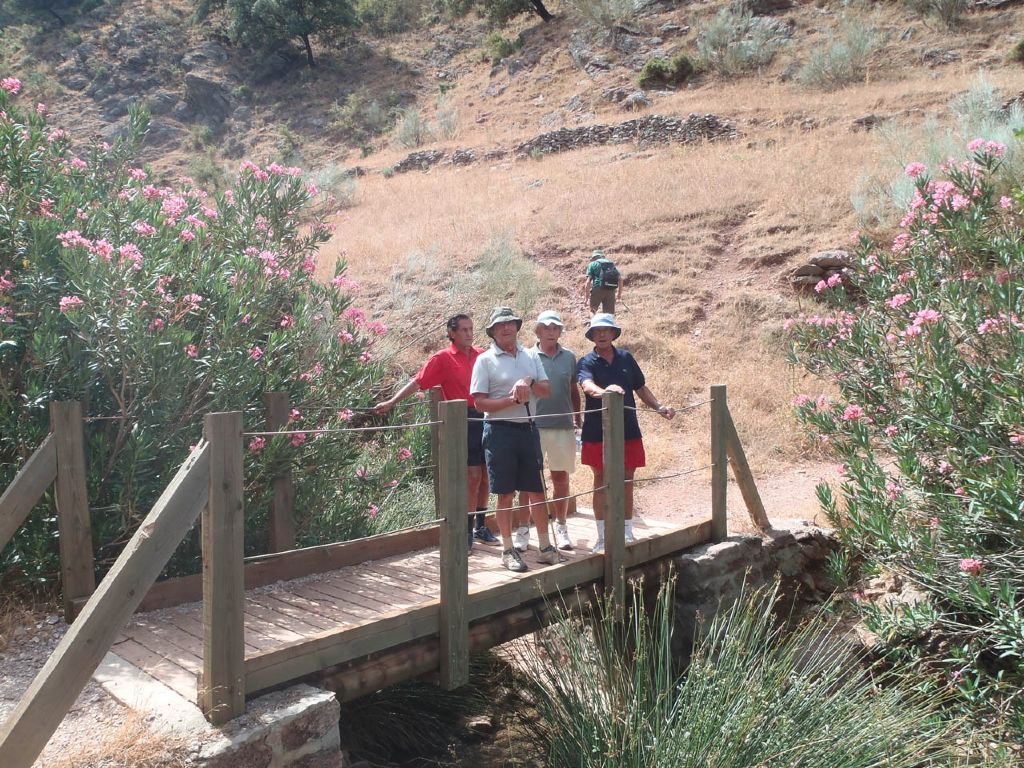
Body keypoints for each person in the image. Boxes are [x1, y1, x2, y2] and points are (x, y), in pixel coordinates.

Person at [373, 313, 498, 549]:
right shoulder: (442, 358)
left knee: (486, 474)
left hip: (487, 416)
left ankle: (481, 526)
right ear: (451, 333)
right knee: (472, 477)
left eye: (471, 329)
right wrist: (392, 401)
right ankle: (467, 531)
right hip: (462, 419)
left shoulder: (483, 354)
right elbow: (419, 382)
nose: (469, 333)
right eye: (463, 330)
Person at [470, 307, 560, 572]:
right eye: (500, 326)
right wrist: (511, 400)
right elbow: (478, 403)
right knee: (506, 493)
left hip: (528, 428)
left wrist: (528, 381)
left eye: (510, 324)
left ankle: (544, 547)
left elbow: (545, 391)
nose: (506, 329)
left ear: (517, 327)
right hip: (499, 431)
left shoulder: (530, 356)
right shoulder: (485, 360)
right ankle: (507, 550)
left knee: (537, 490)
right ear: (493, 332)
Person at [577, 313, 675, 552]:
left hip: (628, 428)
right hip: (596, 430)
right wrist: (606, 391)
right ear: (591, 335)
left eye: (606, 330)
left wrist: (659, 407)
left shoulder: (626, 358)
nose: (601, 334)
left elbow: (640, 387)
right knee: (600, 479)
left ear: (613, 334)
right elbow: (586, 385)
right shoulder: (586, 361)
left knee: (627, 479)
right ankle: (602, 537)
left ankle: (627, 531)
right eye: (597, 330)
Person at [525, 310, 581, 551]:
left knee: (560, 478)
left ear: (560, 331)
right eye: (546, 327)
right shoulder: (526, 355)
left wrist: (577, 416)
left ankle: (561, 524)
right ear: (537, 331)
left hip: (562, 425)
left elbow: (573, 389)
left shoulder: (569, 357)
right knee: (529, 481)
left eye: (555, 328)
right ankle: (523, 530)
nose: (550, 331)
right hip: (532, 426)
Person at [582, 249, 622, 314]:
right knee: (609, 314)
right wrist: (619, 294)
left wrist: (586, 297)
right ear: (603, 256)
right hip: (611, 290)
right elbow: (620, 279)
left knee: (592, 311)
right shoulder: (611, 264)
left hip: (597, 288)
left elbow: (588, 281)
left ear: (594, 257)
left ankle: (594, 323)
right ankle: (608, 323)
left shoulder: (592, 264)